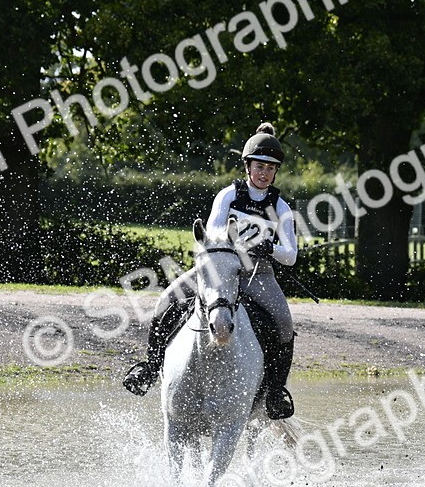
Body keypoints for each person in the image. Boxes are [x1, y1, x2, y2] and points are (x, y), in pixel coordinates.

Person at [123, 122, 298, 419]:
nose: (264, 173)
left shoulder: (280, 207)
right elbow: (215, 234)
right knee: (165, 299)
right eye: (259, 166)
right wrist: (239, 244)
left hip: (258, 274)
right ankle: (150, 368)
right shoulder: (228, 195)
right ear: (247, 166)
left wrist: (269, 249)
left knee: (283, 322)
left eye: (270, 168)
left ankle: (276, 392)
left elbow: (291, 256)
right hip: (219, 269)